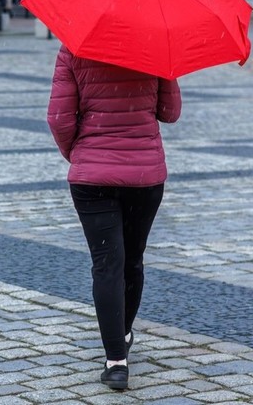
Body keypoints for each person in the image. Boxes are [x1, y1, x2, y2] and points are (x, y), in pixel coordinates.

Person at [46, 45, 181, 391]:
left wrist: (80, 155)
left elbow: (59, 118)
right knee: (132, 261)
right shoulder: (154, 45)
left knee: (107, 264)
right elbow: (170, 111)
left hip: (92, 180)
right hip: (144, 177)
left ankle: (116, 361)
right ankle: (121, 333)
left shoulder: (74, 47)